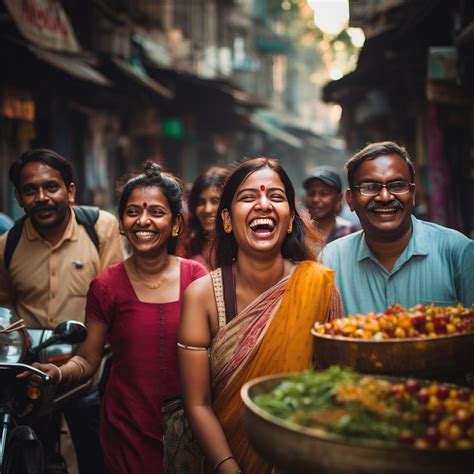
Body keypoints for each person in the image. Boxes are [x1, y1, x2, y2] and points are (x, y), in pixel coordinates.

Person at [20, 161, 208, 474]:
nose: (143, 220)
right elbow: (88, 360)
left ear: (176, 224)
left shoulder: (197, 277)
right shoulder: (106, 285)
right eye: (133, 212)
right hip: (127, 428)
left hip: (188, 426)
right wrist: (56, 374)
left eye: (156, 213)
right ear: (121, 222)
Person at [177, 157, 343, 473]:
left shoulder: (319, 285)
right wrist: (228, 467)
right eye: (249, 197)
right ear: (226, 219)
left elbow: (332, 387)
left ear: (291, 218)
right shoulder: (202, 296)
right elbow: (197, 404)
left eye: (276, 197)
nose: (263, 205)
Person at [0, 148, 123, 473]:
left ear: (70, 191)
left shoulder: (100, 229)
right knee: (32, 455)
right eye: (30, 190)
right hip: (32, 376)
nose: (41, 197)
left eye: (51, 187)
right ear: (18, 196)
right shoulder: (7, 244)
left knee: (95, 454)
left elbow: (119, 298)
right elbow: (4, 309)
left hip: (90, 375)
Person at [321, 141, 474, 316]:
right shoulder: (330, 262)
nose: (385, 197)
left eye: (397, 186)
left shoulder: (459, 253)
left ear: (413, 194)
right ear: (350, 199)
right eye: (370, 187)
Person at [180, 166, 229, 269]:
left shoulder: (242, 247)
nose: (207, 209)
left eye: (215, 201)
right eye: (201, 202)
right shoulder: (188, 246)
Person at [303, 167, 358, 243]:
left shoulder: (349, 232)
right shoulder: (298, 233)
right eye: (311, 193)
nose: (315, 199)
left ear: (339, 198)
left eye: (324, 194)